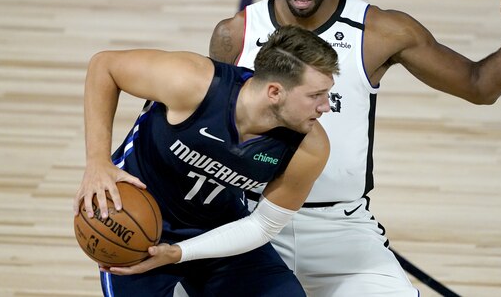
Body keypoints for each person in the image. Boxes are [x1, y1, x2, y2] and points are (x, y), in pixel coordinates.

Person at [209, 0, 501, 296]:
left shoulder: (381, 31)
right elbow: (201, 127)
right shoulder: (237, 34)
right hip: (249, 217)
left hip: (341, 229)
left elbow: (480, 86)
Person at [73, 25, 340, 297]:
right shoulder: (191, 82)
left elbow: (262, 225)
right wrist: (97, 163)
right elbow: (104, 66)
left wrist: (179, 253)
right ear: (274, 92)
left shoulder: (309, 148)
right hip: (137, 224)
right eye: (315, 95)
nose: (326, 106)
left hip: (221, 230)